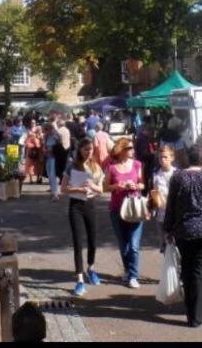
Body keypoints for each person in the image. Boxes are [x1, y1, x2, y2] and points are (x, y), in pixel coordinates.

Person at [164, 145, 202, 328]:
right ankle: (196, 315)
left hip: (184, 232)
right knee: (200, 273)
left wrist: (168, 229)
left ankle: (193, 310)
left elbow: (171, 206)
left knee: (189, 271)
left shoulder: (178, 177)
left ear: (187, 159)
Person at [61, 137, 104, 296]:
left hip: (90, 205)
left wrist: (93, 186)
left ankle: (91, 268)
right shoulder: (72, 166)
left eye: (91, 149)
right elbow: (63, 189)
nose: (88, 152)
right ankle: (79, 280)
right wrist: (78, 190)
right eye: (85, 149)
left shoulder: (96, 167)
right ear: (80, 150)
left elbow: (101, 190)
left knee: (93, 240)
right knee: (78, 243)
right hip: (76, 205)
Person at [104, 137, 145, 288]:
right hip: (117, 209)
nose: (133, 150)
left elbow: (143, 183)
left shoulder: (137, 165)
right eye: (129, 148)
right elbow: (105, 187)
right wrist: (118, 185)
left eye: (132, 148)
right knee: (124, 244)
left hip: (134, 208)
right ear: (121, 150)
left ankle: (133, 276)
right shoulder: (111, 167)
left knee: (134, 245)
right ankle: (128, 270)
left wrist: (135, 185)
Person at [150, 145, 177, 253]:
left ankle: (178, 269)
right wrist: (151, 208)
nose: (163, 160)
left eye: (165, 157)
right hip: (161, 215)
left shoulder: (177, 174)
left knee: (176, 244)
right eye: (161, 157)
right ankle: (168, 268)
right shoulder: (155, 174)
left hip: (175, 215)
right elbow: (153, 192)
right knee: (164, 244)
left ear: (172, 158)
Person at [43, 123, 61, 201]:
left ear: (49, 129)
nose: (44, 132)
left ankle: (55, 194)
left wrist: (51, 149)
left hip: (54, 157)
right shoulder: (46, 136)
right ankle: (53, 191)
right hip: (48, 157)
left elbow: (59, 145)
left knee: (52, 175)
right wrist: (44, 149)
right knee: (49, 175)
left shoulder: (55, 135)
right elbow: (45, 144)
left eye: (45, 130)